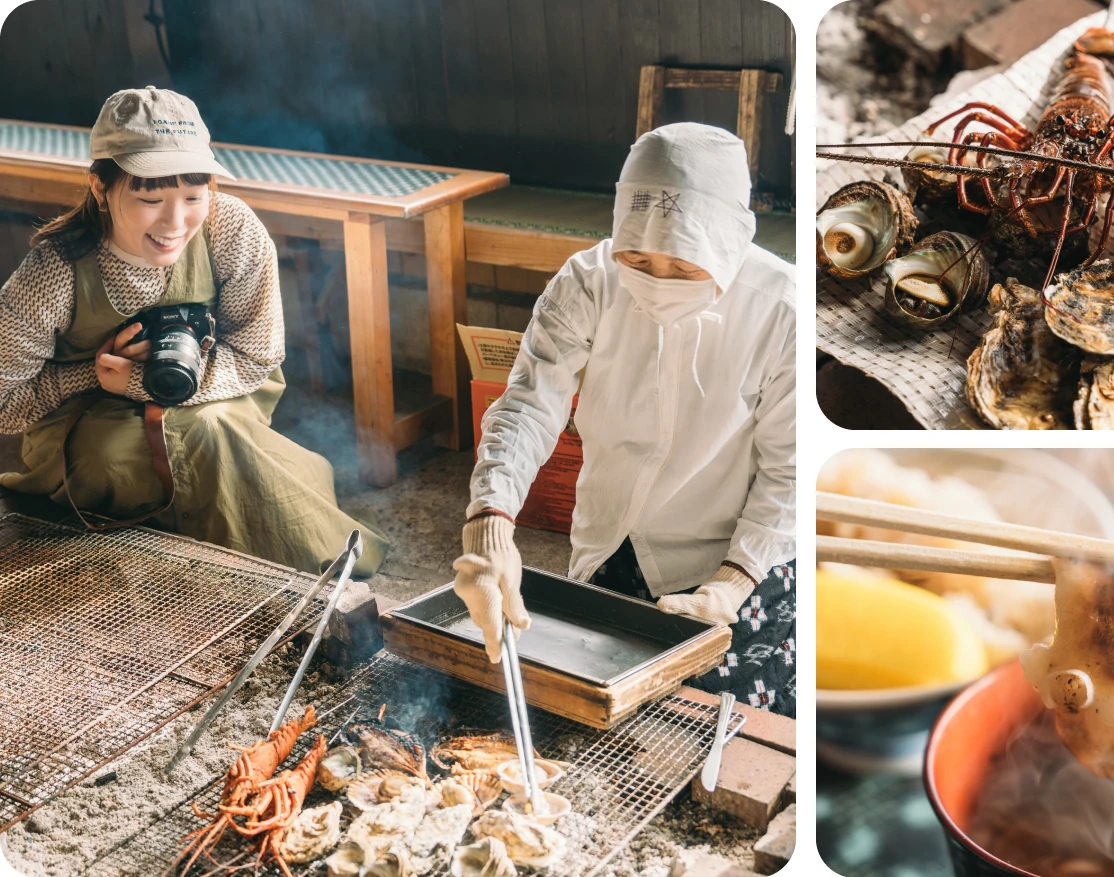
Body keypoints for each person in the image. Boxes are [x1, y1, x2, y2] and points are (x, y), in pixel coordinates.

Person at [452, 123, 796, 716]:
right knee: (590, 704)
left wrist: (733, 582)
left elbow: (790, 472)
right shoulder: (587, 283)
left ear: (730, 243)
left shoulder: (783, 310)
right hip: (614, 540)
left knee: (722, 725)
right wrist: (490, 524)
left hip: (734, 554)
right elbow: (529, 405)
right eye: (637, 257)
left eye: (684, 267)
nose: (657, 279)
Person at [0, 86, 386, 577]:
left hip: (214, 395)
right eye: (150, 197)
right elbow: (3, 402)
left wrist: (142, 383)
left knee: (208, 427)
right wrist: (96, 376)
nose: (175, 222)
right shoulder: (51, 273)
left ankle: (231, 568)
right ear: (99, 187)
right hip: (87, 419)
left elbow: (256, 353)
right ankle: (280, 555)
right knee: (126, 456)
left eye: (193, 196)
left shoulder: (232, 230)